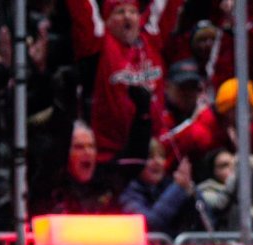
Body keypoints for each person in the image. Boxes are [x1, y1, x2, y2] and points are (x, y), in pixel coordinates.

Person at [66, 0, 181, 162]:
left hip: (154, 152)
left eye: (133, 12)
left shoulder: (152, 38)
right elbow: (82, 9)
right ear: (107, 20)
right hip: (110, 155)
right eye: (119, 12)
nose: (127, 16)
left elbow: (167, 4)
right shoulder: (98, 43)